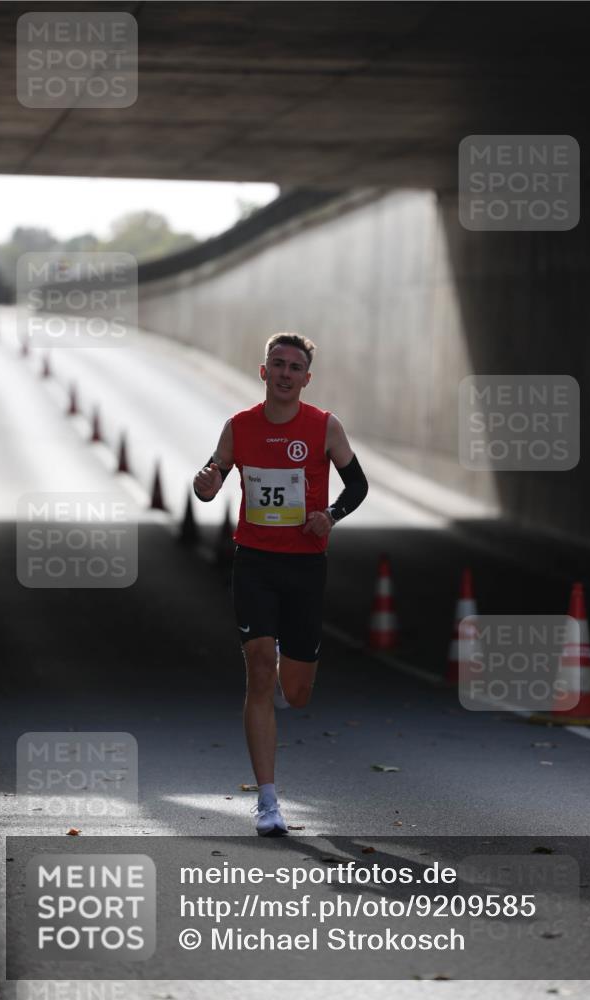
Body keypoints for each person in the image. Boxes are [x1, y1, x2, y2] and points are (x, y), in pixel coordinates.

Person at [193, 333, 368, 835]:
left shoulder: (324, 426)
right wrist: (203, 486)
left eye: (295, 367)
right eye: (278, 364)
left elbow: (357, 485)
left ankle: (284, 681)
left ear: (306, 379)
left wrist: (329, 515)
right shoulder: (239, 427)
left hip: (305, 568)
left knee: (298, 690)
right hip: (254, 562)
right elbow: (211, 477)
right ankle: (267, 802)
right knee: (259, 672)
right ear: (263, 371)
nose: (286, 373)